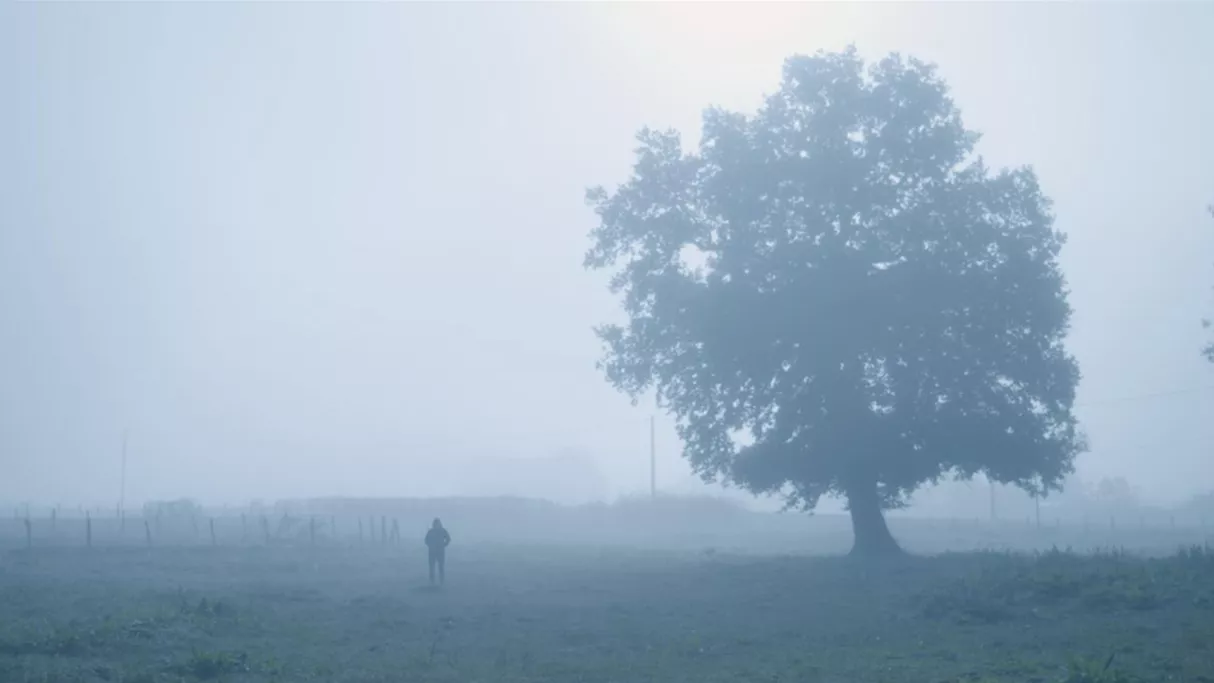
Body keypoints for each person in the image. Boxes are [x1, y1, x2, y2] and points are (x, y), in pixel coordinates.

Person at [424, 518, 451, 586]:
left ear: (440, 524)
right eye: (435, 524)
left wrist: (443, 545)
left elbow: (448, 539)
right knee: (431, 568)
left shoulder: (443, 531)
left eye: (437, 524)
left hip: (440, 552)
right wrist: (430, 545)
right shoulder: (430, 531)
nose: (436, 525)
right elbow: (426, 540)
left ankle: (442, 582)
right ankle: (431, 582)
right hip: (432, 552)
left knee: (441, 567)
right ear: (433, 524)